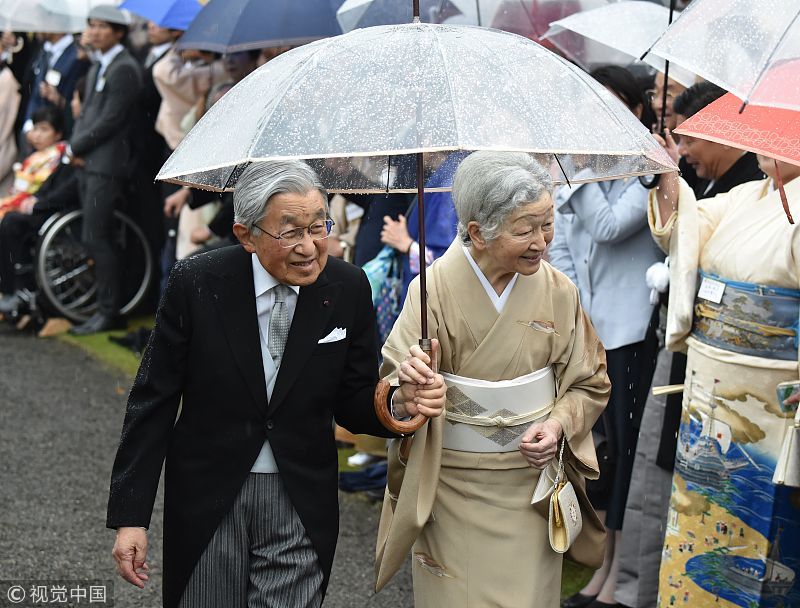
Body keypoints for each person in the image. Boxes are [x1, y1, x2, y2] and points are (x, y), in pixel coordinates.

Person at [106, 160, 447, 608]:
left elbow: (353, 399)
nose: (309, 247)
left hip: (300, 495)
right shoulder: (198, 283)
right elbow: (154, 401)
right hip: (210, 496)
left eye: (318, 227)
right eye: (290, 233)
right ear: (246, 235)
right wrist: (132, 518)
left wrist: (399, 400)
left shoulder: (346, 287)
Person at [375, 151, 610, 607]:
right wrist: (412, 392)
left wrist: (559, 423)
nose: (542, 242)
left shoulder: (559, 290)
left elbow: (590, 380)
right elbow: (392, 395)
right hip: (450, 487)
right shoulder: (431, 292)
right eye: (524, 229)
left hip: (530, 483)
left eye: (547, 224)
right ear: (477, 232)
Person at [649, 153, 800, 607]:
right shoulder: (744, 196)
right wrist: (667, 176)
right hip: (710, 381)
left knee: (766, 524)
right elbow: (685, 226)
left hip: (773, 396)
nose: (759, 151)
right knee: (697, 516)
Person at [552, 65, 664, 608]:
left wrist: (578, 178)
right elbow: (561, 247)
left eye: (612, 102)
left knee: (622, 453)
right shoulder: (585, 169)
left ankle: (619, 572)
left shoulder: (646, 168)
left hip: (632, 331)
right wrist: (577, 312)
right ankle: (602, 565)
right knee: (600, 452)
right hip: (592, 328)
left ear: (636, 110)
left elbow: (610, 227)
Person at [67, 5, 143, 335]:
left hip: (108, 166)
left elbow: (112, 119)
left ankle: (109, 311)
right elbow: (88, 115)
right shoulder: (101, 64)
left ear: (119, 32)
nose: (94, 31)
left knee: (98, 238)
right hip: (92, 163)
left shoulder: (124, 67)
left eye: (102, 27)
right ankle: (102, 307)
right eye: (92, 25)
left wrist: (76, 146)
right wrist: (77, 148)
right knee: (93, 237)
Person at [0, 106, 65, 218]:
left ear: (58, 134)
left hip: (34, 207)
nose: (37, 135)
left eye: (44, 129)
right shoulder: (36, 155)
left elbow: (37, 188)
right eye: (35, 129)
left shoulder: (57, 156)